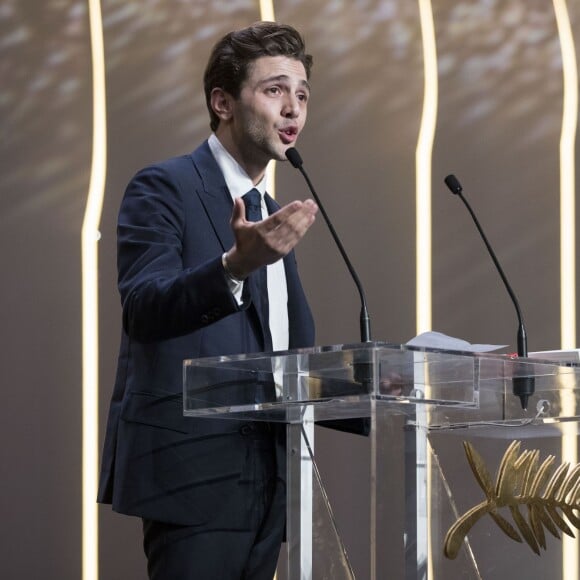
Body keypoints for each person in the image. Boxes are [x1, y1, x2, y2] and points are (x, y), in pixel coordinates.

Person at [98, 22, 318, 580]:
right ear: (222, 102)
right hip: (193, 477)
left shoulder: (269, 211)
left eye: (301, 94)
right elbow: (144, 307)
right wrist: (233, 266)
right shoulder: (164, 187)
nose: (292, 107)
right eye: (274, 90)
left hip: (269, 483)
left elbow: (281, 351)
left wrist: (372, 383)